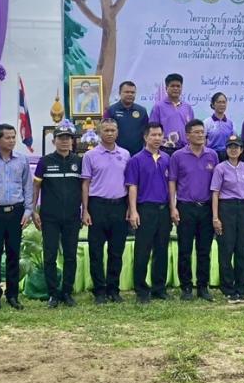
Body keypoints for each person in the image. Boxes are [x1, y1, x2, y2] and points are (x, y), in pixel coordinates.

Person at [0, 123, 34, 311]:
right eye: (7, 137)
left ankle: (12, 295)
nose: (11, 141)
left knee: (13, 253)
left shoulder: (22, 160)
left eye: (13, 137)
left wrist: (28, 210)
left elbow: (27, 186)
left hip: (16, 212)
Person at [33, 123, 84, 308]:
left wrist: (85, 210)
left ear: (72, 141)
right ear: (54, 141)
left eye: (68, 138)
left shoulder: (79, 162)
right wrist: (33, 210)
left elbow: (84, 188)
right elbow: (36, 187)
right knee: (50, 256)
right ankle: (53, 294)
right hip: (50, 217)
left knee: (70, 256)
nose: (64, 141)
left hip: (72, 216)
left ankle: (67, 293)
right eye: (61, 138)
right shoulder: (45, 161)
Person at [81, 118, 130, 303]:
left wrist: (129, 207)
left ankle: (113, 289)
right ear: (99, 133)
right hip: (97, 206)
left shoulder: (125, 154)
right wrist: (85, 210)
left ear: (117, 132)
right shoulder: (90, 155)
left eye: (113, 130)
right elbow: (85, 184)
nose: (109, 133)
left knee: (116, 251)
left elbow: (129, 183)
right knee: (96, 251)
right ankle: (99, 291)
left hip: (119, 206)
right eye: (106, 130)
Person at [169, 119, 218, 302]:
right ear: (188, 135)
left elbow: (217, 185)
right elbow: (172, 182)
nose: (200, 135)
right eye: (196, 132)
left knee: (204, 249)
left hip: (206, 208)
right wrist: (173, 207)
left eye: (202, 132)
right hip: (185, 207)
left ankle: (203, 286)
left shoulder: (212, 155)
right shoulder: (178, 156)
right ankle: (186, 287)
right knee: (185, 249)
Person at [125, 123, 173, 303]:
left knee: (161, 250)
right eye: (153, 135)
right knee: (142, 251)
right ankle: (141, 290)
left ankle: (159, 288)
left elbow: (171, 186)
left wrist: (172, 208)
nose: (157, 138)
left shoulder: (167, 158)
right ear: (146, 137)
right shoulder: (136, 160)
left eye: (160, 135)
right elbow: (132, 186)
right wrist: (133, 211)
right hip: (145, 209)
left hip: (163, 210)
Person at [211, 135, 244, 304]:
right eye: (230, 147)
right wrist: (215, 217)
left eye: (237, 147)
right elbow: (215, 193)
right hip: (226, 208)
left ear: (241, 150)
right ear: (226, 150)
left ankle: (241, 288)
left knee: (242, 249)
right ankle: (228, 288)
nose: (233, 150)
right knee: (226, 248)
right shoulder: (220, 168)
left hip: (243, 207)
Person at [149, 73, 194, 151]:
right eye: (172, 86)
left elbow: (192, 128)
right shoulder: (158, 107)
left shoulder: (187, 107)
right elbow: (152, 129)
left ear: (181, 88)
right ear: (166, 88)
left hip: (185, 148)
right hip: (165, 148)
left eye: (178, 86)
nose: (175, 88)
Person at [105, 80, 148, 156]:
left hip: (137, 154)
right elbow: (104, 130)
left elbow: (147, 132)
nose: (130, 94)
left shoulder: (142, 111)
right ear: (119, 93)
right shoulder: (111, 110)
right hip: (116, 154)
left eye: (132, 92)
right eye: (127, 92)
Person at [204, 92, 234, 159]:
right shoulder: (207, 122)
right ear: (213, 104)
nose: (222, 105)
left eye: (224, 102)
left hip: (227, 156)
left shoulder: (230, 123)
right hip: (211, 155)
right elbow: (203, 142)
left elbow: (233, 141)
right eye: (219, 102)